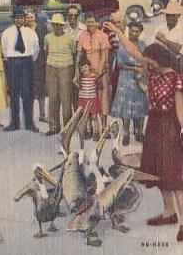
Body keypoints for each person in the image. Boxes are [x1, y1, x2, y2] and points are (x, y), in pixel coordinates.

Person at [104, 20, 183, 243]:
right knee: (159, 174)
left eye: (150, 63)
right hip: (154, 127)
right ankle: (169, 213)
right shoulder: (153, 73)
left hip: (170, 128)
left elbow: (180, 110)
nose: (146, 65)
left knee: (174, 177)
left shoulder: (176, 78)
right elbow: (134, 51)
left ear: (159, 60)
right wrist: (118, 31)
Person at [1, 7, 39, 132]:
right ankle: (14, 122)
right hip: (12, 62)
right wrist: (12, 61)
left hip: (27, 62)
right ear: (13, 19)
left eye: (21, 18)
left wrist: (27, 60)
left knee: (27, 93)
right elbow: (5, 51)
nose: (18, 20)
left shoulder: (30, 33)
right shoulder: (7, 33)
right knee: (14, 94)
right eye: (16, 18)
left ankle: (29, 123)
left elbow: (36, 50)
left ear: (24, 19)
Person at [110, 21, 148, 145]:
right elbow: (120, 64)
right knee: (126, 106)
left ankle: (139, 132)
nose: (134, 33)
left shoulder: (143, 45)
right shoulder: (123, 45)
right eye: (132, 30)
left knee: (140, 104)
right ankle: (126, 133)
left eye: (137, 31)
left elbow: (147, 62)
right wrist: (134, 68)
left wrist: (141, 70)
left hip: (140, 77)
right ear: (128, 31)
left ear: (140, 33)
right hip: (126, 77)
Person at [77, 12, 110, 131]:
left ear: (97, 22)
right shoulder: (82, 35)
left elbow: (104, 56)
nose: (90, 24)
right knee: (88, 98)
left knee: (102, 99)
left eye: (92, 21)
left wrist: (99, 73)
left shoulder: (103, 35)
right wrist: (78, 73)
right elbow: (80, 54)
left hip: (101, 72)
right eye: (88, 22)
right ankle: (91, 128)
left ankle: (104, 128)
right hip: (86, 73)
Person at [44, 13, 76, 135]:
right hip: (52, 67)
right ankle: (54, 126)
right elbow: (46, 52)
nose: (57, 27)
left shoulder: (69, 38)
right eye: (55, 25)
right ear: (52, 25)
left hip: (65, 68)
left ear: (63, 26)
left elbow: (73, 53)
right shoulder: (47, 37)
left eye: (59, 25)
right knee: (52, 98)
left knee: (65, 98)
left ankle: (67, 127)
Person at [24, 10, 47, 123]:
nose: (29, 19)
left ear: (35, 17)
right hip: (28, 62)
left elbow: (45, 45)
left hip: (40, 61)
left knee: (41, 89)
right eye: (27, 17)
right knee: (30, 90)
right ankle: (30, 117)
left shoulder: (42, 28)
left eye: (31, 16)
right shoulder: (23, 30)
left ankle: (42, 115)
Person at [77, 58, 101, 141]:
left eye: (85, 67)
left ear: (89, 67)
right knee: (85, 117)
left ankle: (96, 132)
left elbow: (99, 80)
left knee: (94, 116)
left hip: (92, 99)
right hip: (83, 99)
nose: (83, 69)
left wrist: (95, 73)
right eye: (81, 68)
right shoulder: (81, 77)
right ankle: (87, 131)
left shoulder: (94, 76)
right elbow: (78, 86)